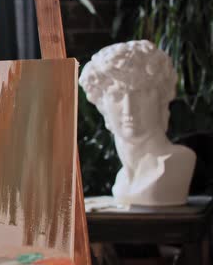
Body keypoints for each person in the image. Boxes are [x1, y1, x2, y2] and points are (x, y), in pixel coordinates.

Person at [79, 40, 196, 206]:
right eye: (117, 95)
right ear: (102, 104)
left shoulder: (177, 162)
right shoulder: (122, 180)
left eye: (140, 93)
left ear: (161, 98)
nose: (129, 108)